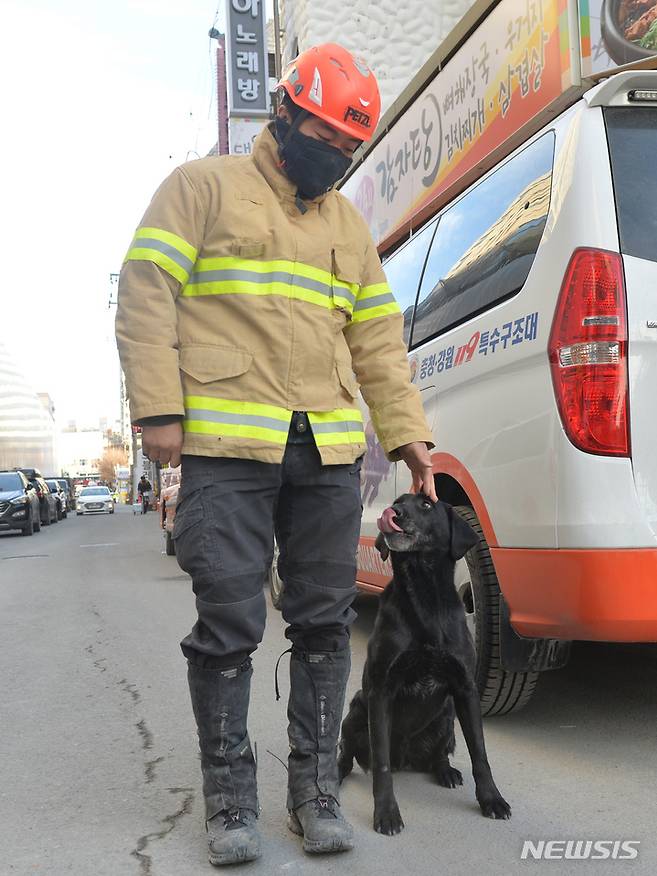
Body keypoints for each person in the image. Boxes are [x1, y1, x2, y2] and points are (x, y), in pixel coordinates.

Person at [116, 43, 436, 867]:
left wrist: (408, 437)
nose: (330, 154)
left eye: (346, 147)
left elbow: (377, 340)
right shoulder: (203, 188)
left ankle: (316, 793)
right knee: (229, 622)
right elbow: (147, 291)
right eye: (321, 135)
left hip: (325, 454)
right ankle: (229, 804)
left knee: (326, 623)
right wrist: (156, 410)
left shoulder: (347, 224)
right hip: (226, 450)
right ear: (283, 114)